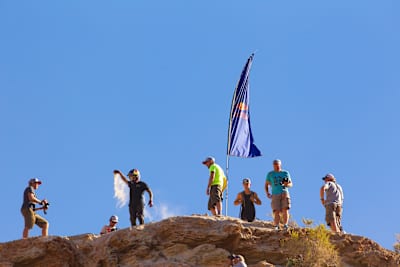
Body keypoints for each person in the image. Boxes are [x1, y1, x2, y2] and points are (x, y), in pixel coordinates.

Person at [265, 159, 293, 230]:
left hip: (284, 192)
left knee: (285, 209)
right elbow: (266, 184)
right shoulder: (270, 174)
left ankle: (285, 225)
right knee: (276, 210)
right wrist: (267, 192)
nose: (276, 166)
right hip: (275, 193)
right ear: (273, 165)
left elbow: (290, 184)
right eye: (275, 165)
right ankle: (276, 225)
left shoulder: (285, 173)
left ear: (280, 165)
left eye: (277, 165)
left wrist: (287, 184)